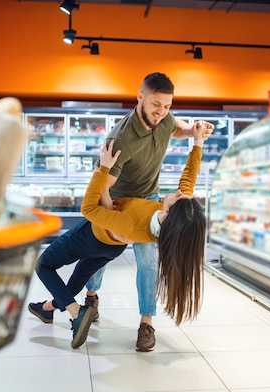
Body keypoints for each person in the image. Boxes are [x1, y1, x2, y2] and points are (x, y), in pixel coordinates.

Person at [28, 123, 209, 349]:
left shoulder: (133, 224)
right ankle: (45, 309)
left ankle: (76, 314)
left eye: (178, 197)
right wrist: (198, 142)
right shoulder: (172, 222)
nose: (179, 192)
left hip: (92, 236)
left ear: (168, 211)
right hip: (111, 249)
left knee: (43, 265)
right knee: (76, 281)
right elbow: (188, 180)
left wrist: (103, 171)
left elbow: (90, 210)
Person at [84, 72, 214, 351]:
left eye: (167, 106)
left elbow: (175, 127)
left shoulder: (164, 118)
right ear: (140, 96)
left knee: (148, 262)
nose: (162, 111)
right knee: (101, 254)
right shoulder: (120, 139)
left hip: (152, 197)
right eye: (156, 104)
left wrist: (195, 131)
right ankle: (91, 297)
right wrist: (110, 221)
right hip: (120, 201)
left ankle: (147, 323)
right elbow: (103, 187)